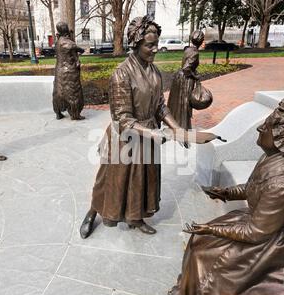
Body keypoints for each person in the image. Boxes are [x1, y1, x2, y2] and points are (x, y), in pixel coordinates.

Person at [169, 98, 284, 295]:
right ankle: (189, 290)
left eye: (267, 126)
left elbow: (254, 233)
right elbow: (254, 188)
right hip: (264, 225)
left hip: (281, 243)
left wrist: (210, 228)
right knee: (200, 241)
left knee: (209, 255)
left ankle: (197, 294)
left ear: (280, 138)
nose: (260, 128)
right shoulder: (272, 158)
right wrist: (225, 192)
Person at [79, 16, 215, 239]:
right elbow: (123, 119)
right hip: (124, 137)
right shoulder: (121, 75)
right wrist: (155, 133)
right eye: (149, 45)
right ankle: (92, 213)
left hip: (148, 135)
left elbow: (160, 106)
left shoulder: (155, 73)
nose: (155, 49)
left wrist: (177, 128)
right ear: (136, 44)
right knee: (109, 181)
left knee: (141, 180)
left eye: (156, 43)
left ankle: (136, 218)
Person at [167, 30, 205, 130]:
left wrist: (193, 71)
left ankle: (175, 124)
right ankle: (183, 128)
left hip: (179, 77)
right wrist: (195, 76)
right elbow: (186, 68)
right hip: (185, 80)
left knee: (177, 103)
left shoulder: (188, 49)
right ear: (201, 41)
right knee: (184, 104)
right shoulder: (195, 53)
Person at [52, 22, 85, 120]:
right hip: (69, 71)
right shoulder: (67, 42)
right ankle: (75, 114)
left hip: (59, 70)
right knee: (73, 92)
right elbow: (81, 50)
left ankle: (58, 112)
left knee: (58, 91)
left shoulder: (58, 42)